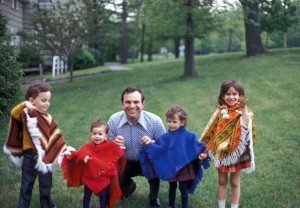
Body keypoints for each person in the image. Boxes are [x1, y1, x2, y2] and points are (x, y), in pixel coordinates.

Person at [3, 82, 70, 208]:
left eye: (48, 100)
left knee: (46, 185)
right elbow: (13, 113)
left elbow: (54, 137)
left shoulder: (48, 117)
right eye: (43, 100)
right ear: (32, 100)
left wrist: (61, 150)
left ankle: (47, 205)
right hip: (29, 155)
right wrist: (24, 105)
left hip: (46, 156)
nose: (47, 103)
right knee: (26, 184)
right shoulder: (26, 114)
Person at [199, 79, 256, 208]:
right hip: (222, 153)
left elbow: (246, 124)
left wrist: (244, 107)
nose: (231, 97)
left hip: (237, 152)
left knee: (235, 182)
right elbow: (211, 131)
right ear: (223, 96)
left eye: (235, 94)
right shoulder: (220, 112)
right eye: (228, 94)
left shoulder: (242, 112)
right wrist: (204, 149)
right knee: (222, 180)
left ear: (240, 96)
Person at [139, 105, 210, 208]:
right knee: (172, 187)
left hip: (184, 167)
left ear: (182, 122)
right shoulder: (165, 137)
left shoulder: (189, 136)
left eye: (174, 122)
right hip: (171, 167)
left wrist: (203, 153)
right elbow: (159, 147)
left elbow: (198, 146)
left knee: (183, 188)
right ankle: (171, 205)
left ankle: (185, 206)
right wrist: (150, 145)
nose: (171, 124)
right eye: (169, 121)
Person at [107, 86, 166, 207]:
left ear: (143, 103)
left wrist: (152, 143)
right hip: (124, 161)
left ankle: (153, 198)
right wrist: (113, 144)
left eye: (136, 102)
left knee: (154, 168)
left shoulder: (155, 121)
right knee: (117, 182)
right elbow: (104, 148)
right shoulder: (114, 120)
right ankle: (129, 186)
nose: (132, 105)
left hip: (147, 160)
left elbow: (165, 146)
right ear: (122, 104)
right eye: (128, 102)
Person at [61, 119, 126, 208]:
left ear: (106, 136)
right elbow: (81, 153)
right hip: (88, 178)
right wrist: (84, 157)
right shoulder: (87, 146)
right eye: (94, 134)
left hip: (103, 178)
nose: (97, 136)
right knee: (87, 196)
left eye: (100, 134)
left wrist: (121, 148)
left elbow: (117, 152)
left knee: (103, 198)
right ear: (91, 134)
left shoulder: (109, 146)